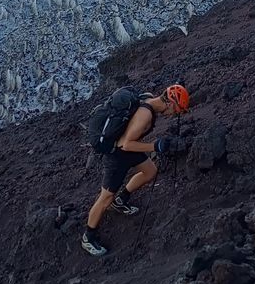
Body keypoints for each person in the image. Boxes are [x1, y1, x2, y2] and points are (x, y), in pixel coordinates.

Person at [81, 84, 190, 256]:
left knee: (150, 171)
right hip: (117, 155)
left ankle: (121, 200)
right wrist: (154, 146)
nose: (175, 114)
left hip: (128, 150)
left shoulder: (148, 98)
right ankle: (88, 236)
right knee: (106, 197)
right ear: (170, 103)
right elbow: (126, 144)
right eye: (177, 110)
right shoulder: (145, 115)